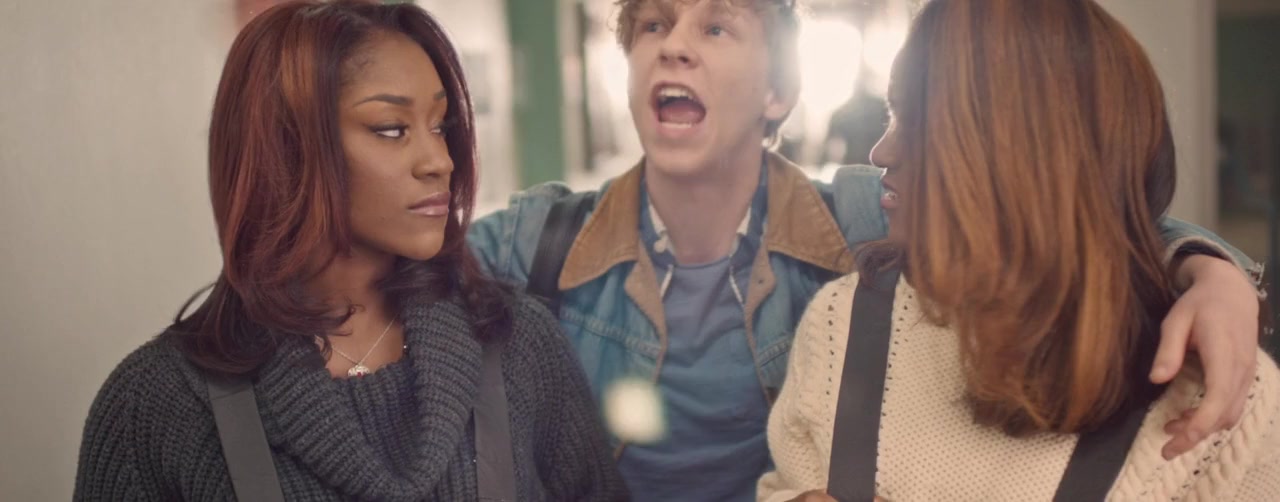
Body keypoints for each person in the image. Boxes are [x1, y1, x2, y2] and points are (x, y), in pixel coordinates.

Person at [467, 1, 1266, 500]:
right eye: (652, 24)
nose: (674, 45)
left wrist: (1212, 274)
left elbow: (1067, 218)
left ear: (778, 92)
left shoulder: (855, 218)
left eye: (716, 25)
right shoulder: (543, 238)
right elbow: (406, 264)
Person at [74, 2, 626, 500]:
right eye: (390, 129)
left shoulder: (519, 343)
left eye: (441, 126)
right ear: (283, 148)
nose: (440, 161)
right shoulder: (155, 408)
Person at [758, 0, 1277, 500]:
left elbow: (1110, 228)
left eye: (914, 121)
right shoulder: (841, 320)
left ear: (1028, 154)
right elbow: (786, 484)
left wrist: (1212, 271)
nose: (880, 153)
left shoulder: (1223, 395)